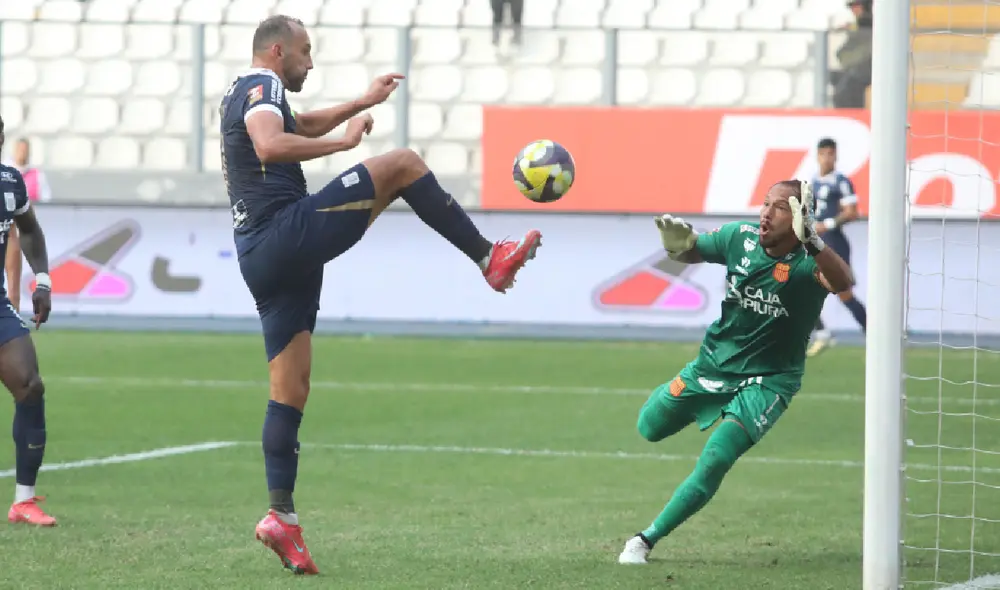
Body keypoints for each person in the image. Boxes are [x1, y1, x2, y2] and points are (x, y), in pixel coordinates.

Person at [221, 15, 542, 575]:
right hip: (282, 233)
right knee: (403, 165)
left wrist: (357, 103)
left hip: (260, 255)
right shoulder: (261, 85)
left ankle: (282, 519)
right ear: (277, 51)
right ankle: (489, 258)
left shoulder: (251, 92)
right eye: (305, 51)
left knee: (290, 388)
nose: (310, 62)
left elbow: (297, 121)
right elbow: (271, 144)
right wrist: (341, 143)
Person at [617, 180, 854, 565]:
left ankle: (644, 540)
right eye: (765, 203)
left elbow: (843, 282)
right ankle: (686, 399)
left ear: (798, 218)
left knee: (716, 458)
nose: (765, 213)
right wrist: (678, 245)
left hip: (770, 379)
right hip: (713, 365)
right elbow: (691, 251)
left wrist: (813, 241)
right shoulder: (738, 237)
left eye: (779, 207)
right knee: (649, 427)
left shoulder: (811, 261)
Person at [0, 117, 55, 527]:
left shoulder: (10, 182)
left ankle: (23, 501)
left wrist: (44, 281)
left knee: (29, 385)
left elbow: (30, 230)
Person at [807, 137, 867, 357]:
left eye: (831, 154)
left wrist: (827, 224)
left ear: (836, 156)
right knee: (802, 286)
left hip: (834, 241)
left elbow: (852, 212)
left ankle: (873, 333)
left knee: (843, 293)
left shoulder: (841, 181)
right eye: (823, 153)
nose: (827, 158)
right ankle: (822, 334)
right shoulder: (812, 181)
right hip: (815, 242)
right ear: (817, 155)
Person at [3, 138, 52, 313]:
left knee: (11, 232)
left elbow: (30, 229)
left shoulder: (13, 178)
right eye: (20, 149)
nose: (22, 153)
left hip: (15, 226)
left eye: (25, 150)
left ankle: (13, 304)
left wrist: (43, 282)